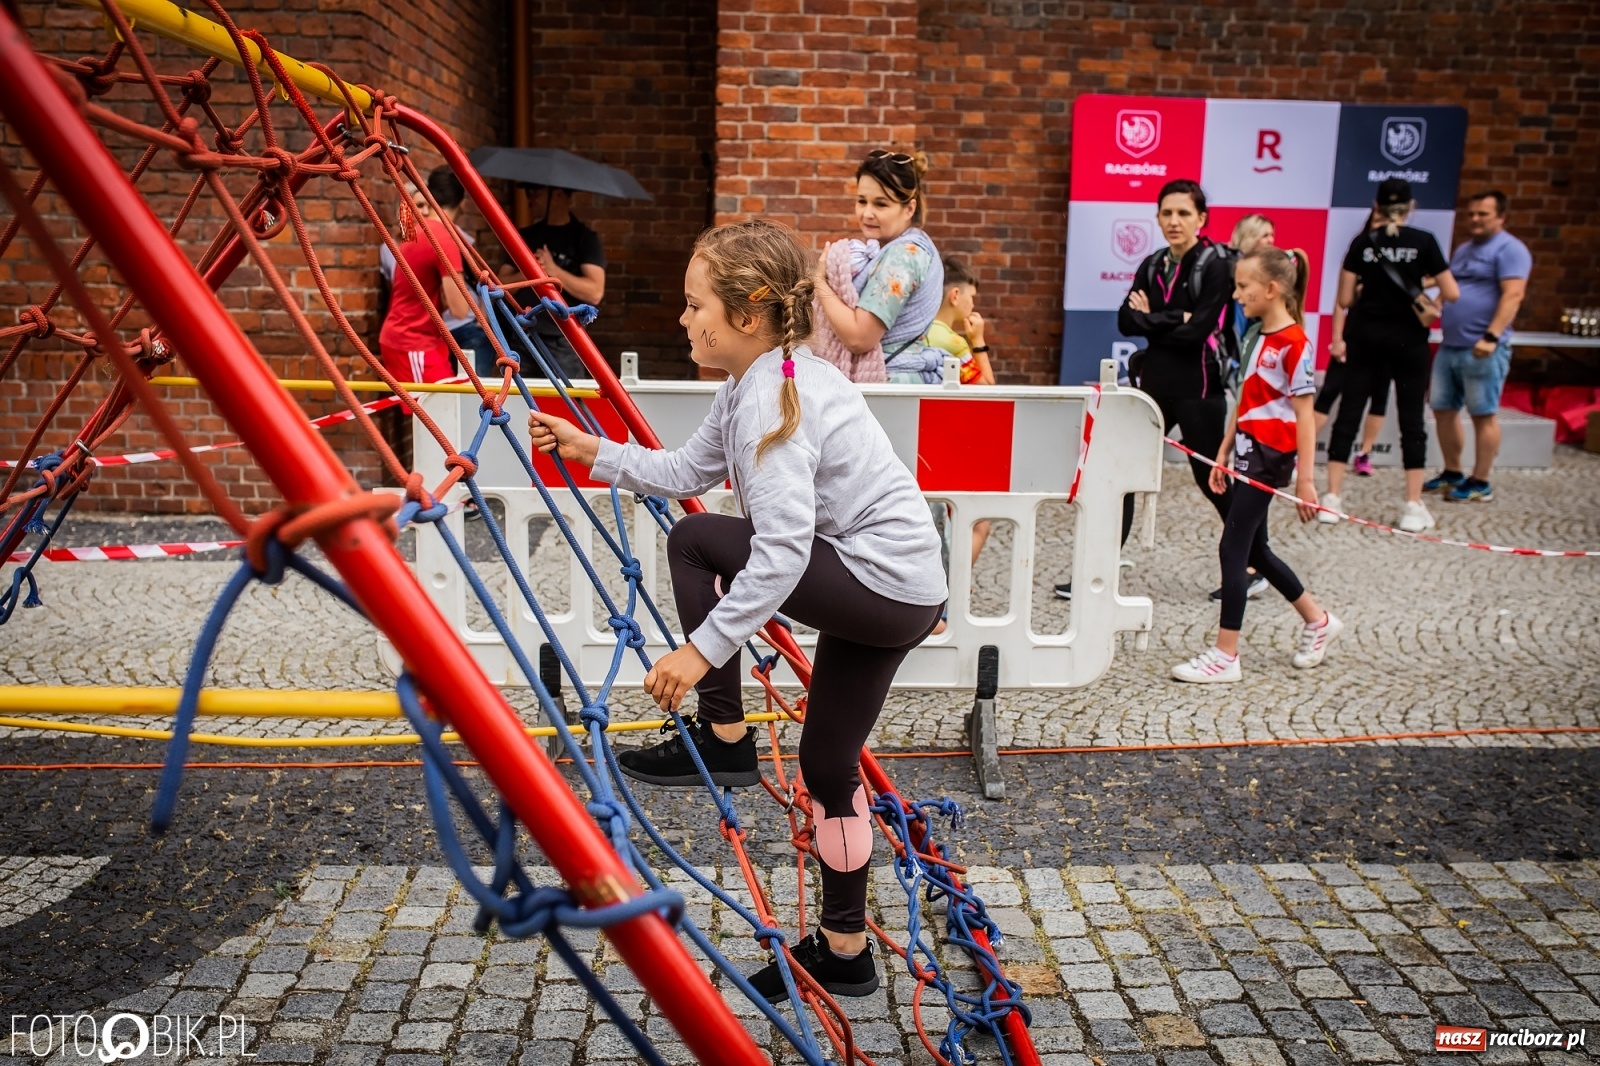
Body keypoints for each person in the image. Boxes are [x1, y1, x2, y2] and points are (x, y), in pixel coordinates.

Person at [526, 219, 945, 1003]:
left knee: (696, 539)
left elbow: (781, 554)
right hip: (905, 592)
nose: (682, 320)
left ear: (746, 316)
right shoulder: (762, 378)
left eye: (694, 307)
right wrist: (592, 451)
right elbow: (686, 467)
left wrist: (701, 653)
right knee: (827, 764)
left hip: (882, 579)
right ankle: (846, 948)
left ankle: (723, 736)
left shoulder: (773, 398)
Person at [1056, 179, 1237, 602]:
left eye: (1183, 214)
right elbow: (1125, 321)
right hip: (1152, 387)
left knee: (1212, 480)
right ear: (1157, 217)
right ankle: (1095, 573)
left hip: (1199, 389)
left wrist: (1155, 317)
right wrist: (1174, 317)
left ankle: (1251, 565)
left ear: (1201, 219)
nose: (1174, 221)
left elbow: (1199, 332)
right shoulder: (1154, 263)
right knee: (1121, 477)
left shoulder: (1215, 266)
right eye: (1167, 213)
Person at [1172, 247, 1342, 683]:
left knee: (1233, 548)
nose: (1236, 294)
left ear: (1272, 289)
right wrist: (1224, 451)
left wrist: (1306, 480)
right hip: (1245, 450)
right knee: (1256, 550)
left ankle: (1226, 654)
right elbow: (1246, 399)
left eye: (1243, 286)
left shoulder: (1295, 343)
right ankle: (1318, 620)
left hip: (1271, 458)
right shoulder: (1255, 337)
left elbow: (1305, 414)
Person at [1321, 177, 1458, 533]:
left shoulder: (1362, 243)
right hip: (1409, 342)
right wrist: (1431, 300)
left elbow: (1345, 300)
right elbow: (1453, 291)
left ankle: (1332, 498)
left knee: (1349, 413)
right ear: (1410, 207)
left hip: (1365, 338)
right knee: (1412, 419)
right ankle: (1412, 505)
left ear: (1376, 207)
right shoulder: (1424, 242)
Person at [1425, 190, 1531, 502]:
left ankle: (1480, 481)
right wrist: (1433, 305)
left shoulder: (1512, 250)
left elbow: (1513, 295)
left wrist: (1492, 336)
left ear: (1501, 217)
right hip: (1451, 345)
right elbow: (1450, 286)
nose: (1474, 219)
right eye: (1471, 213)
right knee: (1443, 410)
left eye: (1482, 214)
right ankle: (1453, 472)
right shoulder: (1464, 249)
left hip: (1483, 346)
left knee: (1483, 414)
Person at [813, 149, 946, 384]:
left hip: (890, 385)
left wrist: (819, 283)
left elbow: (859, 338)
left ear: (909, 208)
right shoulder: (915, 247)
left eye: (881, 204)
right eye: (861, 201)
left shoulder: (903, 256)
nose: (867, 213)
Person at [381, 168, 491, 377]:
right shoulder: (443, 238)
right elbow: (459, 309)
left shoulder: (416, 230)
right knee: (438, 407)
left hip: (415, 337)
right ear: (463, 203)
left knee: (436, 406)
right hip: (413, 340)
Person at [1314, 210, 1390, 488]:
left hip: (1387, 343)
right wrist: (1338, 339)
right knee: (1329, 394)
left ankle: (1364, 454)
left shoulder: (1408, 255)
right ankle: (1298, 451)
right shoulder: (1360, 250)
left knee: (1379, 397)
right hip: (1355, 338)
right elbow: (1340, 301)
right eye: (1378, 220)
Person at [516, 184, 606, 381]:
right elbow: (501, 280)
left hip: (563, 339)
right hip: (522, 336)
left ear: (556, 195)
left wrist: (554, 271)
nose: (529, 198)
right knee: (519, 401)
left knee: (567, 405)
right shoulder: (525, 235)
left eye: (536, 192)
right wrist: (531, 271)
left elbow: (595, 292)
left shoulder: (584, 238)